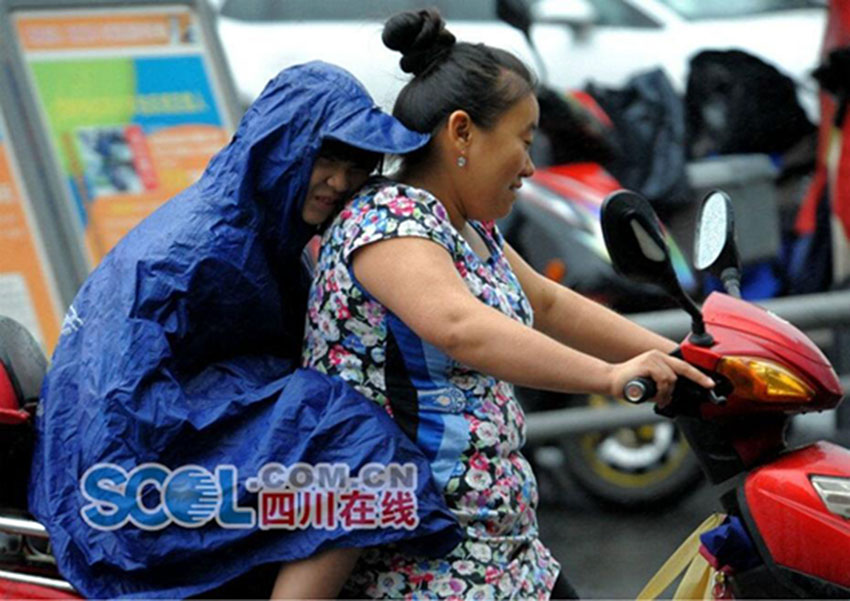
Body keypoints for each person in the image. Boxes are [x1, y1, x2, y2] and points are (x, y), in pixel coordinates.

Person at [300, 10, 716, 599]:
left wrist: (683, 354)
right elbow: (460, 326)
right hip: (427, 562)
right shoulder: (387, 221)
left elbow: (546, 301)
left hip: (504, 548)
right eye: (523, 140)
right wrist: (610, 377)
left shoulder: (466, 224)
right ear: (462, 132)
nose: (529, 165)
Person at [28, 61, 462, 600]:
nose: (341, 182)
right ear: (279, 147)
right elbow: (124, 401)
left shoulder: (257, 223)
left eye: (358, 166)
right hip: (134, 467)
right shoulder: (207, 246)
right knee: (359, 449)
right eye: (326, 158)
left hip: (143, 439)